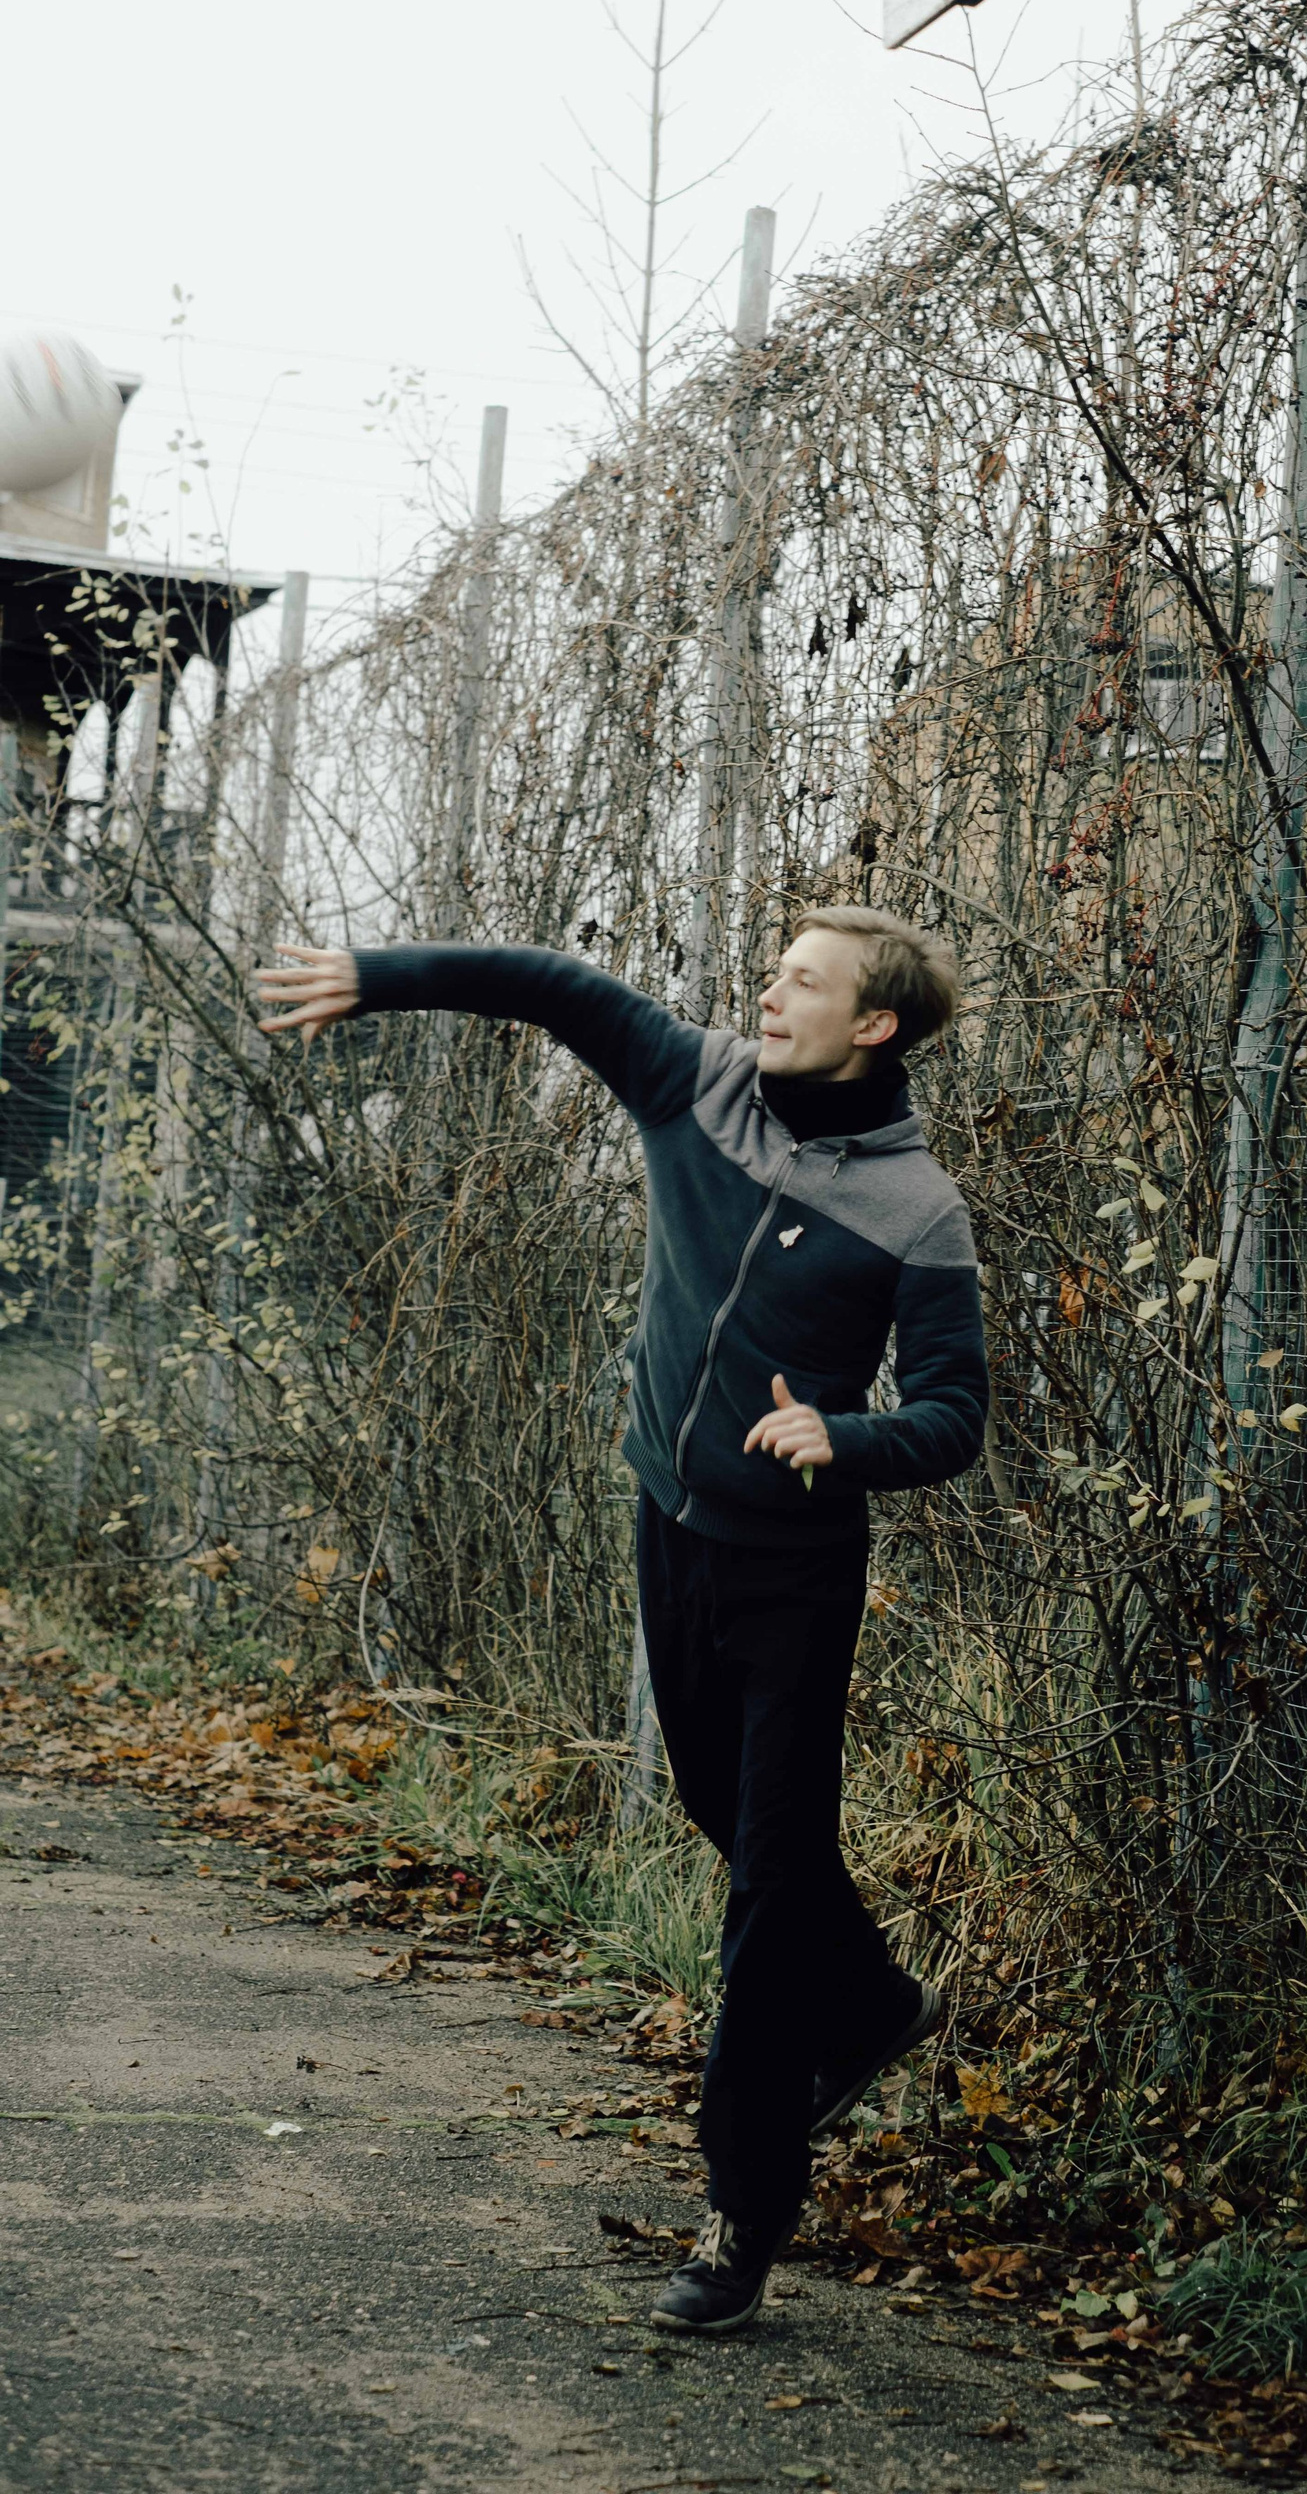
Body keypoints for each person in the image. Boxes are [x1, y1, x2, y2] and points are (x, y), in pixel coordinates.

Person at [258, 907, 987, 2333]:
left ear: (873, 1026)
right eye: (774, 972)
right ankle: (872, 2006)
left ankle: (742, 2211)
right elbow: (552, 985)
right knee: (728, 1816)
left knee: (767, 1887)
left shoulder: (918, 1211)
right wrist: (373, 980)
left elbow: (956, 1415)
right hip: (672, 1529)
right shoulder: (695, 1083)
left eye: (804, 983)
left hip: (796, 1575)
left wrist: (846, 1436)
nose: (769, 995)